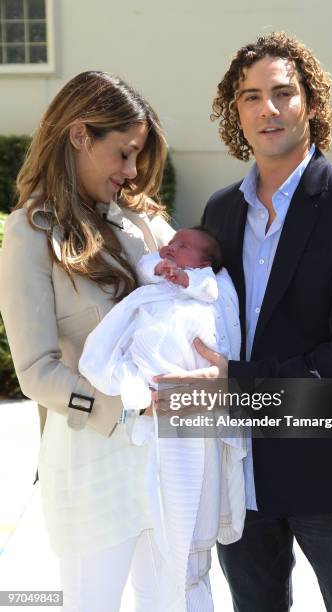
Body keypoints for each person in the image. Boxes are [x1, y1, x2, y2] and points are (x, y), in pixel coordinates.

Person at [156, 32, 332, 611]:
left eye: (283, 93)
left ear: (310, 103)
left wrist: (238, 382)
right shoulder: (221, 210)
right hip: (240, 469)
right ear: (234, 112)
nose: (268, 109)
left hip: (328, 461)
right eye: (250, 96)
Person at [0, 70, 184, 612]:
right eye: (124, 154)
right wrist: (122, 408)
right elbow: (36, 370)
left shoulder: (139, 223)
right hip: (91, 457)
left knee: (168, 599)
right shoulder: (29, 231)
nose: (132, 172)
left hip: (162, 452)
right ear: (80, 135)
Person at [78, 225, 246, 611]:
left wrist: (183, 278)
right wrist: (163, 268)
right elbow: (145, 265)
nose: (171, 248)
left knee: (185, 516)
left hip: (191, 391)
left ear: (205, 262)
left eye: (184, 246)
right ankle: (139, 387)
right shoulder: (156, 274)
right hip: (154, 377)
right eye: (171, 243)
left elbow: (206, 290)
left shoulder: (205, 282)